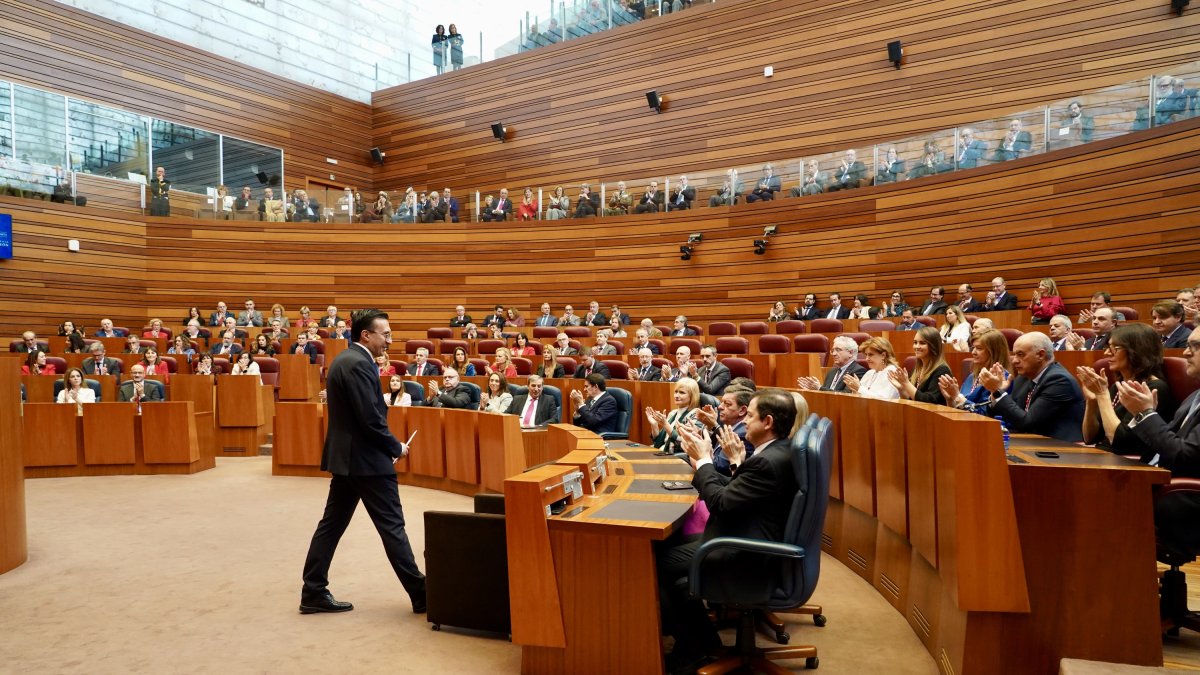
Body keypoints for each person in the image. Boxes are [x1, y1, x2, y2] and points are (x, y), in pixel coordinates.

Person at [658, 390, 799, 671]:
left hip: (748, 551)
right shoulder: (777, 451)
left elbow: (721, 503)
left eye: (749, 415)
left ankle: (691, 648)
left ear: (767, 421)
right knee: (665, 547)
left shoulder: (767, 462)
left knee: (657, 564)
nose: (743, 421)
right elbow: (740, 491)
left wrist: (704, 461)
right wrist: (712, 463)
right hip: (748, 534)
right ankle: (702, 640)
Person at [300, 308, 426, 616]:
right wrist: (394, 445)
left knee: (330, 526)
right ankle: (423, 595)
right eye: (385, 334)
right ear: (366, 335)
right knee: (392, 527)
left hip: (348, 460)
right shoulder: (358, 364)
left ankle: (313, 590)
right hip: (367, 461)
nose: (389, 340)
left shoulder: (345, 360)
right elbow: (370, 419)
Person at [1077, 323, 1177, 457]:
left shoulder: (1153, 388)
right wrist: (1092, 401)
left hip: (1129, 463)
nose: (1107, 353)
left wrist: (1102, 395)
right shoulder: (1117, 386)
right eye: (1108, 347)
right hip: (1104, 455)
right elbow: (1090, 438)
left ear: (1136, 350)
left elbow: (1120, 442)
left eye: (1114, 348)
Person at [980, 331, 1085, 442]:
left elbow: (1027, 422)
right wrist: (996, 393)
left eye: (1020, 355)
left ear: (1040, 355)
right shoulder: (1024, 377)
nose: (1014, 360)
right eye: (1014, 354)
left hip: (1060, 447)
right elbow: (1011, 417)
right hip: (1030, 441)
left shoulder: (1059, 380)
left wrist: (997, 391)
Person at [939, 329, 1011, 415]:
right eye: (973, 348)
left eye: (979, 348)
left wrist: (957, 397)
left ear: (994, 351)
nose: (973, 352)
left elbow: (985, 415)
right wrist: (950, 400)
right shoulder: (972, 376)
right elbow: (960, 410)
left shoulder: (1001, 380)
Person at [694, 386, 756, 475]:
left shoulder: (742, 434)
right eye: (722, 402)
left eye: (727, 404)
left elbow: (719, 467)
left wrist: (695, 452)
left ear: (742, 410)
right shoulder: (730, 426)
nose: (720, 407)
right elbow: (715, 453)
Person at [890, 327, 952, 405]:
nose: (917, 346)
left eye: (922, 343)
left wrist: (906, 384)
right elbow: (912, 400)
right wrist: (901, 389)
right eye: (915, 342)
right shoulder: (917, 369)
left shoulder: (942, 370)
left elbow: (929, 402)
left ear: (933, 346)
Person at [648, 377, 703, 454]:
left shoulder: (696, 415)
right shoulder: (673, 413)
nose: (676, 395)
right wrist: (654, 425)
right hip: (662, 452)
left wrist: (665, 424)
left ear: (692, 396)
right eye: (676, 392)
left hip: (676, 456)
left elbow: (683, 443)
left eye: (682, 392)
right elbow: (659, 441)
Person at [796, 335, 865, 392]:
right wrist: (814, 390)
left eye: (838, 350)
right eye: (833, 350)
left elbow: (846, 395)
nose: (834, 354)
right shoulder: (832, 371)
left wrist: (819, 388)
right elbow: (826, 392)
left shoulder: (858, 371)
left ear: (850, 353)